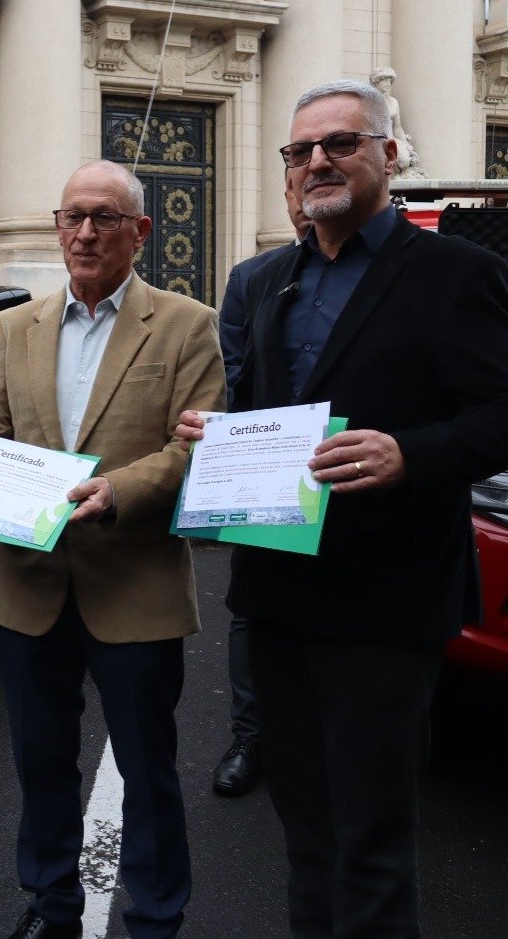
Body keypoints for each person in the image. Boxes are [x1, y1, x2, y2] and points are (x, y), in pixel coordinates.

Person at [176, 79, 508, 938]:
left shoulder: (459, 273)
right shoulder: (270, 281)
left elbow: (499, 413)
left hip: (387, 607)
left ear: (388, 156)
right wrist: (222, 433)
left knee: (372, 841)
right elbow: (268, 408)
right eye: (300, 150)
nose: (317, 161)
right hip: (279, 598)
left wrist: (413, 453)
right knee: (308, 834)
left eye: (340, 143)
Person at [0, 161, 225, 939]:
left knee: (148, 771)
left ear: (140, 232)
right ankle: (51, 905)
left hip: (135, 587)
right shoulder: (15, 326)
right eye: (72, 216)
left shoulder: (185, 323)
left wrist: (118, 492)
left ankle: (157, 917)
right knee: (41, 768)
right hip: (28, 589)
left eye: (105, 217)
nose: (85, 232)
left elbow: (192, 448)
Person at [210, 181, 313, 798]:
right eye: (295, 189)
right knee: (252, 609)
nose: (304, 200)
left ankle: (319, 736)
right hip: (267, 467)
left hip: (346, 469)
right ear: (284, 198)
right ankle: (250, 737)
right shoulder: (253, 277)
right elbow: (233, 372)